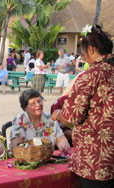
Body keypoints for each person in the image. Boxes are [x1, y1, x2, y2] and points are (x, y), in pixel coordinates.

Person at [52, 24, 114, 188]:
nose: (83, 56)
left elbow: (72, 116)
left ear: (92, 50)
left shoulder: (89, 76)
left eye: (84, 52)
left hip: (97, 160)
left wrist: (58, 114)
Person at [10, 89, 70, 153]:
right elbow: (17, 144)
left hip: (47, 157)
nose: (38, 104)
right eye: (33, 103)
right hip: (24, 157)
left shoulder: (50, 119)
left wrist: (64, 145)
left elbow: (60, 138)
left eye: (39, 101)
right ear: (25, 108)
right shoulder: (19, 120)